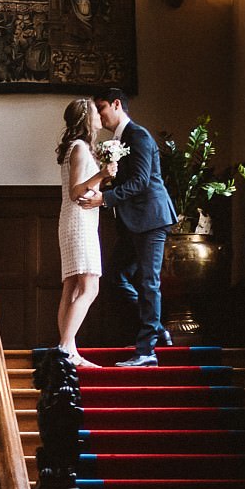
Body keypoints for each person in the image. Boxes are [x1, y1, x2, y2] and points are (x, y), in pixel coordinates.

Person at [79, 88, 178, 367]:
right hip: (132, 221)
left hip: (151, 218)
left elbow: (141, 182)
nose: (99, 114)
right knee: (116, 277)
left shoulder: (139, 136)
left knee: (148, 282)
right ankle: (156, 329)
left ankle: (146, 351)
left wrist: (104, 199)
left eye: (101, 108)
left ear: (117, 104)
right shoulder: (118, 140)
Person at [54, 98, 117, 367]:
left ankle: (70, 350)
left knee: (71, 288)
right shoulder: (79, 148)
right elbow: (75, 191)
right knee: (90, 287)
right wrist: (102, 174)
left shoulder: (77, 147)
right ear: (85, 118)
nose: (99, 116)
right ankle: (65, 348)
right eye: (94, 112)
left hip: (77, 220)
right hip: (78, 222)